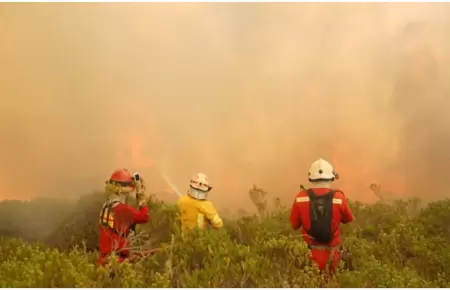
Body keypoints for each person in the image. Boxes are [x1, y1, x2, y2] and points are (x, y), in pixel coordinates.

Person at [289, 158, 354, 273]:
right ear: (331, 177)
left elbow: (294, 224)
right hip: (334, 257)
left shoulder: (300, 197)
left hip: (308, 257)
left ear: (311, 177)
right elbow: (348, 219)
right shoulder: (339, 197)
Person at [98, 168, 150, 265]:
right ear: (122, 191)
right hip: (117, 262)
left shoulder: (106, 206)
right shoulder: (122, 210)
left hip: (104, 261)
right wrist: (140, 192)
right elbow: (145, 216)